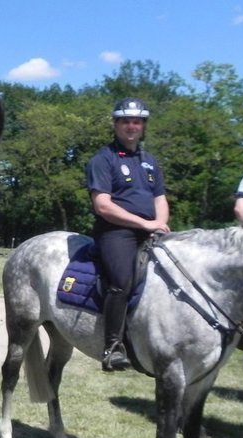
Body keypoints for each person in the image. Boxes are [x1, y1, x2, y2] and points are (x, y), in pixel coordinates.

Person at [85, 97, 171, 372]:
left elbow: (160, 198)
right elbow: (103, 205)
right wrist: (144, 225)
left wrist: (159, 223)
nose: (131, 126)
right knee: (121, 281)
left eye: (137, 121)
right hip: (116, 232)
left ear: (143, 126)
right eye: (126, 121)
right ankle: (113, 347)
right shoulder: (103, 159)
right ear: (116, 124)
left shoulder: (150, 161)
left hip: (151, 229)